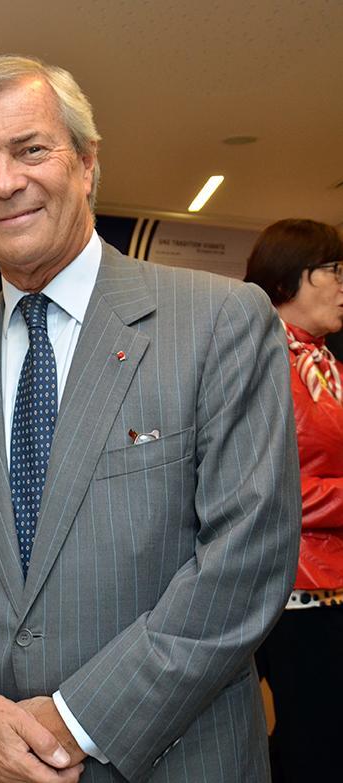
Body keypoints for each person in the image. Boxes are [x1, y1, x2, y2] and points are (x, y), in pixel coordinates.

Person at [0, 54, 301, 783]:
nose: (4, 181)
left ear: (87, 164)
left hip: (177, 759)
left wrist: (74, 718)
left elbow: (245, 561)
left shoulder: (219, 322)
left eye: (29, 149)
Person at [244, 218, 343, 782]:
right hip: (290, 590)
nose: (341, 284)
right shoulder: (260, 363)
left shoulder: (324, 365)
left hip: (325, 585)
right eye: (332, 270)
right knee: (316, 743)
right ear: (291, 277)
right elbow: (267, 489)